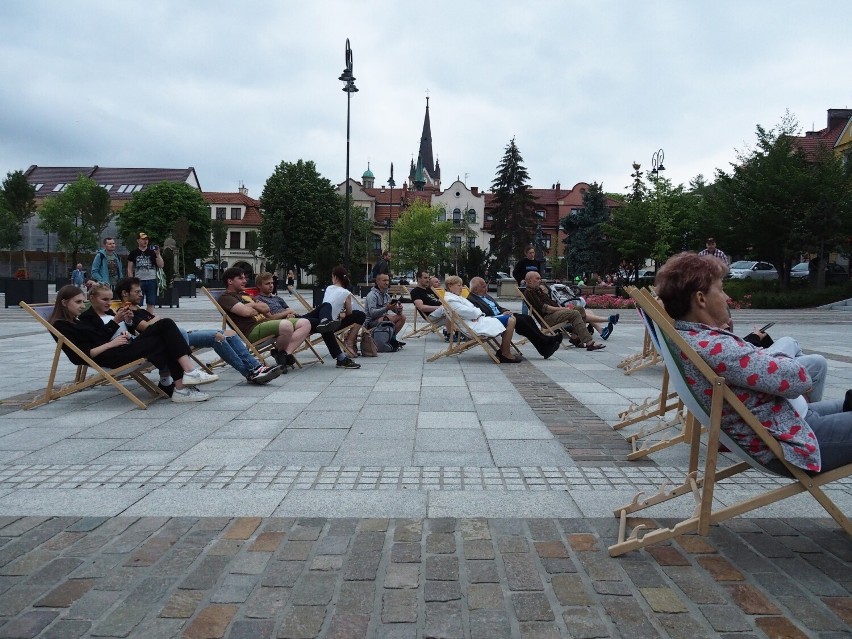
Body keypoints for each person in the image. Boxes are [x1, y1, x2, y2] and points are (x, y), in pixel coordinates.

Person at [655, 252, 852, 473]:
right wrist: (769, 355)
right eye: (720, 289)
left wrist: (764, 356)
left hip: (788, 424)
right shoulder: (716, 348)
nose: (727, 297)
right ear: (701, 299)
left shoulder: (694, 338)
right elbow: (798, 379)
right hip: (795, 443)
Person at [50, 284, 217, 403]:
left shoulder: (75, 321)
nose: (82, 305)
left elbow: (97, 337)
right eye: (78, 302)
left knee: (165, 329)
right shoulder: (61, 325)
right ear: (64, 303)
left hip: (119, 348)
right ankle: (186, 377)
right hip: (111, 357)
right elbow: (80, 355)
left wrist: (124, 329)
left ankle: (181, 386)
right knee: (165, 326)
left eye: (82, 301)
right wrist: (112, 342)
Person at [115, 277, 282, 387]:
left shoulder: (138, 309)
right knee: (218, 337)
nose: (141, 294)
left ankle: (256, 368)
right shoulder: (128, 311)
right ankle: (252, 372)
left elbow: (157, 324)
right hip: (170, 341)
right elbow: (146, 329)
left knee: (227, 333)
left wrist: (159, 321)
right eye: (137, 292)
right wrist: (159, 320)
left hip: (177, 335)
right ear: (124, 293)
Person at [467, 276, 562, 359]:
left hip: (502, 316)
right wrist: (501, 315)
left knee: (527, 318)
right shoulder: (471, 300)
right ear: (475, 290)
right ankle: (546, 344)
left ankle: (545, 345)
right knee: (522, 321)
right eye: (484, 287)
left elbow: (499, 307)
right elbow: (482, 315)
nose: (486, 288)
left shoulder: (486, 296)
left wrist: (505, 311)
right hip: (495, 320)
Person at [443, 276, 521, 363]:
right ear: (450, 286)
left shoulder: (457, 298)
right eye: (459, 285)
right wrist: (476, 313)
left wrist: (476, 313)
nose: (461, 287)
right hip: (474, 326)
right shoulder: (451, 300)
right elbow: (472, 312)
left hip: (478, 321)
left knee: (511, 318)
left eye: (461, 285)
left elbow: (473, 311)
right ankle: (505, 353)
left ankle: (503, 350)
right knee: (510, 320)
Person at [523, 272, 605, 351]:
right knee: (575, 313)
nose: (540, 280)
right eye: (537, 278)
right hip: (547, 318)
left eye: (540, 278)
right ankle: (589, 343)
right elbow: (545, 308)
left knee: (579, 309)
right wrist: (561, 309)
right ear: (529, 280)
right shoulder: (529, 292)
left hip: (554, 314)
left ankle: (575, 337)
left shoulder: (538, 290)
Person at [322, 266, 367, 358]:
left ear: (334, 277)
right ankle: (349, 341)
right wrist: (343, 312)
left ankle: (349, 341)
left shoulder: (328, 288)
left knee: (356, 314)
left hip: (323, 321)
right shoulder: (346, 293)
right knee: (360, 315)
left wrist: (341, 312)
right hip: (333, 325)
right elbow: (350, 313)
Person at [364, 273, 406, 349]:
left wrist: (399, 310)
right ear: (377, 282)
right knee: (387, 317)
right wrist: (386, 308)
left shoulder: (386, 295)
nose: (387, 283)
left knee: (402, 317)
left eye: (388, 280)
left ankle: (391, 339)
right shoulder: (372, 295)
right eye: (384, 280)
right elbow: (372, 313)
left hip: (383, 320)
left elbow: (394, 311)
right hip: (371, 323)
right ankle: (389, 340)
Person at [126, 232, 164, 312]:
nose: (145, 241)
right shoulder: (133, 253)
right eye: (143, 239)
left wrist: (158, 254)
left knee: (151, 302)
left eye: (146, 239)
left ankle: (148, 318)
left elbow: (161, 265)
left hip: (151, 279)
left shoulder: (152, 252)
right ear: (138, 241)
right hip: (139, 280)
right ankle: (138, 318)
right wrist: (131, 281)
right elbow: (129, 268)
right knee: (136, 302)